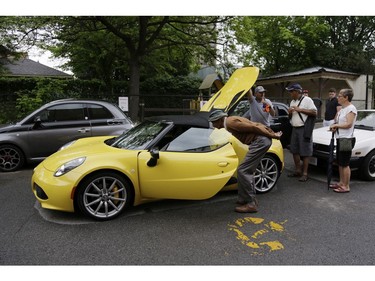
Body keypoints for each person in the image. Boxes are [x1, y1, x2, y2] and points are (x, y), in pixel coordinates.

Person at [208, 109, 282, 213]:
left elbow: (254, 127)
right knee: (245, 170)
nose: (213, 125)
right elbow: (255, 124)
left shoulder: (230, 123)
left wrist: (272, 134)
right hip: (260, 141)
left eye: (213, 122)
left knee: (243, 170)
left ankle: (251, 203)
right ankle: (244, 199)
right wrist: (270, 132)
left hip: (260, 142)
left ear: (219, 120)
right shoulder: (230, 120)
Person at [287, 83, 317, 182]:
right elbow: (290, 117)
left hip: (304, 128)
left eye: (291, 91)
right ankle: (298, 170)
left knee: (305, 151)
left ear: (296, 91)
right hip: (295, 128)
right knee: (294, 150)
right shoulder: (292, 101)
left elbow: (314, 112)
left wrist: (300, 109)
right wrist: (290, 113)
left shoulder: (307, 100)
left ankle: (305, 173)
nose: (290, 93)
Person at [328, 89, 357, 193]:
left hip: (347, 139)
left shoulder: (351, 108)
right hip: (340, 138)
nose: (338, 97)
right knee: (340, 162)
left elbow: (349, 124)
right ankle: (341, 183)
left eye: (340, 96)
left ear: (346, 98)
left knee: (345, 163)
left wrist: (336, 125)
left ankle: (346, 186)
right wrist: (336, 127)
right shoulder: (342, 109)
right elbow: (342, 124)